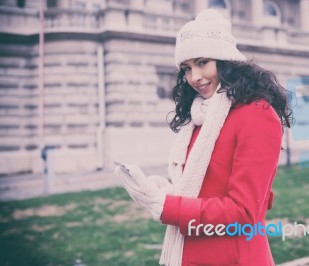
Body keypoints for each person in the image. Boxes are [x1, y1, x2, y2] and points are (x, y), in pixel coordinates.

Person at [114, 9, 292, 266]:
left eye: (202, 62)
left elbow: (243, 212)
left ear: (225, 60)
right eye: (186, 68)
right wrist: (164, 191)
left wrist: (165, 206)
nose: (194, 77)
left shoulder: (256, 115)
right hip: (189, 253)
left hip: (232, 257)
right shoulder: (199, 116)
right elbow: (203, 190)